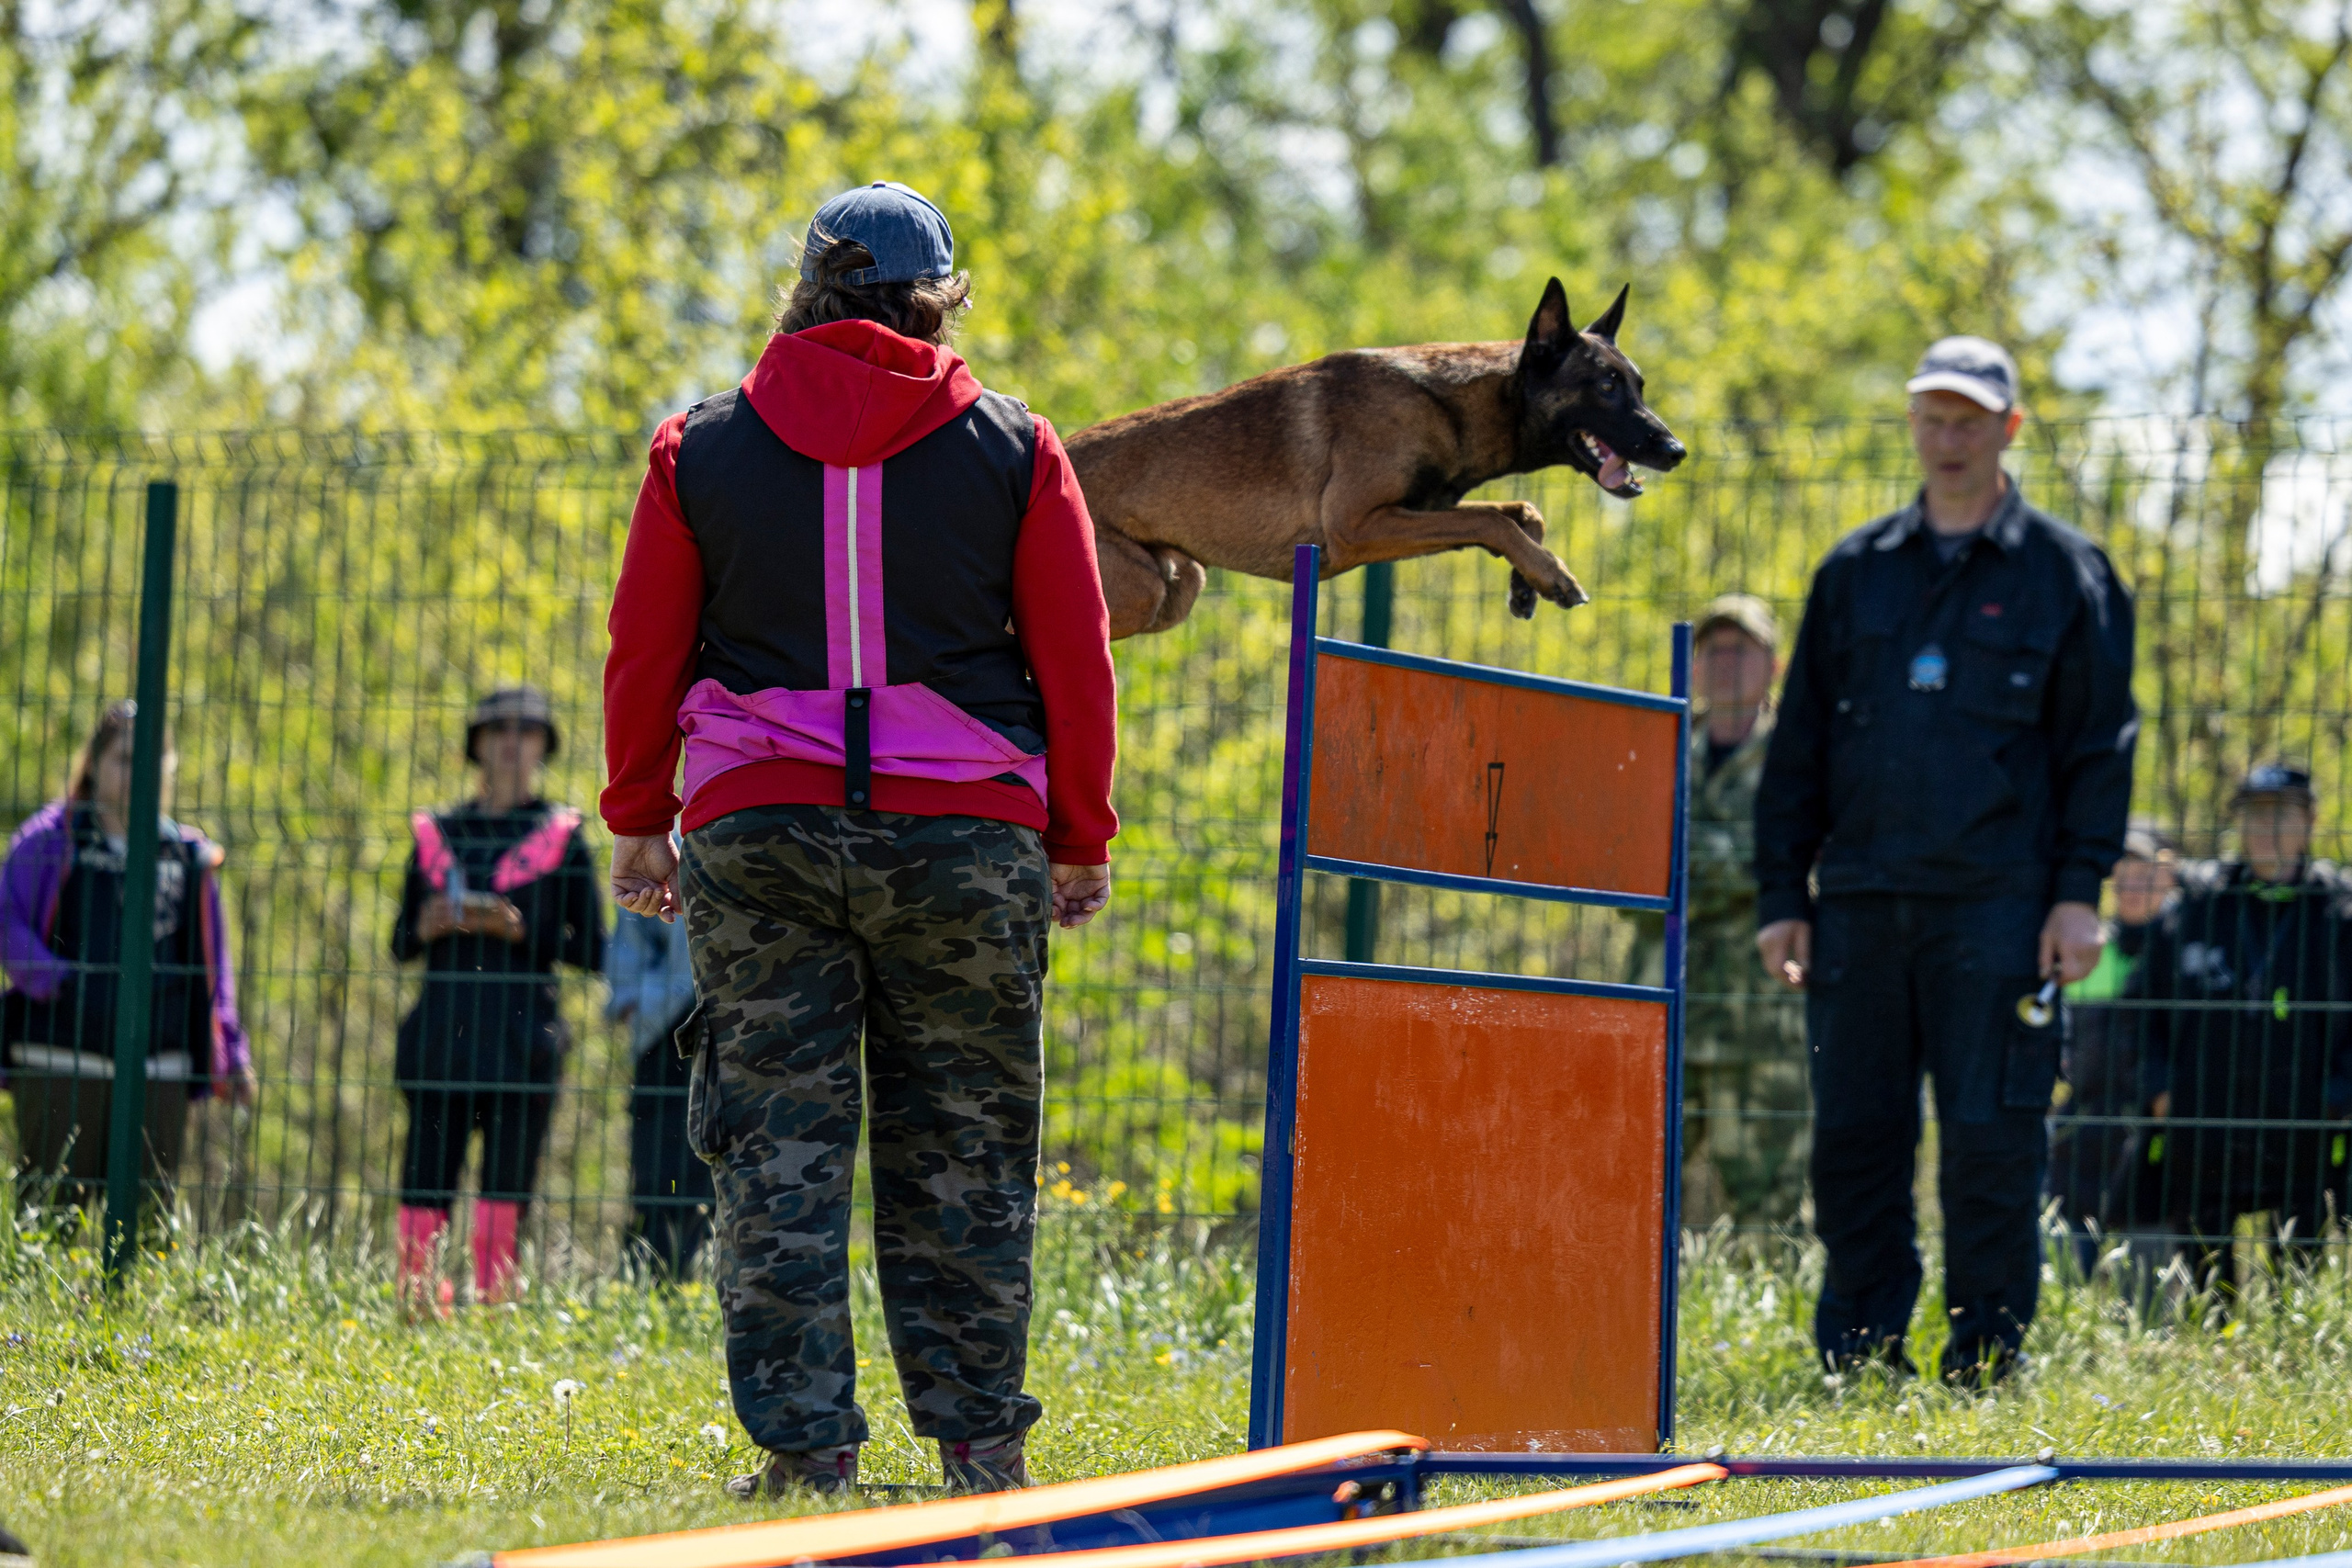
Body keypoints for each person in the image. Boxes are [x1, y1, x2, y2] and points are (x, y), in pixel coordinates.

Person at [602, 180, 1118, 1497]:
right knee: (967, 1140)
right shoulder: (1016, 443)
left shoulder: (697, 447)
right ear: (935, 293)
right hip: (966, 837)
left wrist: (638, 817)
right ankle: (980, 1438)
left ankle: (807, 1444)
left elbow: (646, 648)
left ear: (809, 287)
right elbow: (1075, 656)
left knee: (776, 1140)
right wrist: (1078, 831)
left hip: (759, 830)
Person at [1754, 335, 2138, 1383]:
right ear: (1912, 426)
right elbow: (1798, 751)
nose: (1949, 438)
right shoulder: (1854, 572)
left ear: (2009, 429)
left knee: (1989, 1145)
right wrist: (1783, 895)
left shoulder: (2069, 574)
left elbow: (2100, 749)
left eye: (1970, 419)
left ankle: (1984, 1359)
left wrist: (2075, 897)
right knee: (1856, 1140)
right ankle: (1860, 1354)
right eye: (1932, 416)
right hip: (1861, 906)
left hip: (2002, 910)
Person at [390, 686, 603, 1314]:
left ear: (543, 746)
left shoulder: (562, 837)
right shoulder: (437, 833)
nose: (513, 743)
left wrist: (521, 931)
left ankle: (493, 1306)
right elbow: (398, 941)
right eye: (500, 730)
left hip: (521, 1045)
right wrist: (426, 924)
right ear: (477, 744)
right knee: (425, 1177)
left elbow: (593, 948)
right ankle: (417, 1298)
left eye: (528, 731)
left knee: (507, 1186)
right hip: (441, 1038)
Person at [0, 701, 254, 1205]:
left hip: (158, 1067)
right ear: (94, 763)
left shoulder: (188, 856)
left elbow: (214, 970)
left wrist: (232, 1051)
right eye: (124, 758)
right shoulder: (51, 839)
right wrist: (56, 979)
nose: (139, 773)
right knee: (48, 1220)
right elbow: (7, 921)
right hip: (59, 1057)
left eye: (153, 760)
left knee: (145, 1228)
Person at [1628, 594, 1809, 1235]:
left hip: (1759, 1021)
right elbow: (1621, 859)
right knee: (1635, 1199)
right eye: (1712, 650)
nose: (1725, 662)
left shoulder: (1803, 758)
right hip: (1661, 1011)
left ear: (1775, 664)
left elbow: (1800, 866)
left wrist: (1684, 856)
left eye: (1742, 649)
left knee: (1771, 1210)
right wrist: (1737, 859)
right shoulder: (1654, 747)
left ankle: (1766, 1329)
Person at [2130, 763, 2352, 1286]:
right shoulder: (2197, 907)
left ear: (2312, 820)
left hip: (2307, 1122)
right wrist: (2159, 1088)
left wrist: (2341, 1094)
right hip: (2205, 1122)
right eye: (2252, 814)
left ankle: (2292, 1358)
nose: (2263, 828)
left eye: (2279, 814)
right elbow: (2142, 1008)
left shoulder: (2340, 912)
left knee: (2298, 1280)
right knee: (2206, 1282)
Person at [2046, 822, 2177, 1272]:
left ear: (2170, 876)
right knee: (2062, 1265)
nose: (2132, 885)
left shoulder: (2188, 954)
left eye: (2145, 873)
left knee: (2146, 1282)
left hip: (2155, 1135)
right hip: (2080, 1130)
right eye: (2123, 874)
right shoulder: (2088, 951)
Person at [605, 893, 712, 1277]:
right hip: (661, 1031)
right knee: (658, 1167)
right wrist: (634, 1000)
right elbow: (630, 929)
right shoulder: (662, 839)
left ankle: (708, 1270)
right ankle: (654, 1274)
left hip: (734, 1020)